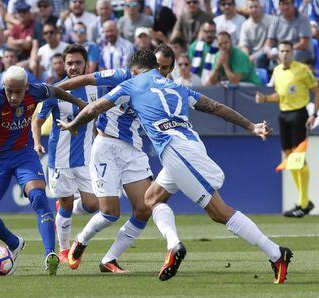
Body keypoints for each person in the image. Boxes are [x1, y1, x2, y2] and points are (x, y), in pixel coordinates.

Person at [57, 49, 293, 284]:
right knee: (152, 199)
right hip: (188, 144)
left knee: (219, 212)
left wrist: (73, 124)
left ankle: (276, 253)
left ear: (135, 69)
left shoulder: (132, 83)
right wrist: (251, 126)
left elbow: (94, 108)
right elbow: (216, 107)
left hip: (176, 151)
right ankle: (173, 246)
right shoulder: (178, 87)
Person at [0, 65, 87, 276]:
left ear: (26, 87)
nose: (13, 97)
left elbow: (56, 90)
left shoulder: (37, 91)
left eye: (18, 91)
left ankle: (50, 254)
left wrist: (79, 103)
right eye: (9, 91)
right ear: (4, 86)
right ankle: (14, 243)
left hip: (23, 154)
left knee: (39, 198)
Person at [55, 44, 175, 273]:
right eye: (157, 66)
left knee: (143, 208)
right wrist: (51, 89)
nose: (160, 72)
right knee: (110, 212)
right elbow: (85, 79)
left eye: (165, 68)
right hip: (107, 146)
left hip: (133, 150)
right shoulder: (122, 75)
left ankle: (109, 259)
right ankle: (80, 242)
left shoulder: (165, 88)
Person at [32, 45, 100, 264]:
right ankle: (64, 250)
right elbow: (38, 119)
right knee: (67, 205)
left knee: (93, 205)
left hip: (87, 158)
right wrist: (36, 142)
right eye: (69, 63)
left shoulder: (95, 88)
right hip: (60, 159)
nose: (73, 67)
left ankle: (65, 207)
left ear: (86, 64)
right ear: (64, 65)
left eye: (78, 62)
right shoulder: (55, 90)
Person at [256, 40, 318, 218]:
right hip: (283, 115)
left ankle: (304, 203)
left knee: (298, 158)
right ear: (279, 53)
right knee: (290, 158)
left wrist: (314, 114)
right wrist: (265, 99)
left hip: (299, 114)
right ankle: (304, 203)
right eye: (282, 51)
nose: (284, 54)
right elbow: (280, 95)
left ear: (293, 52)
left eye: (288, 51)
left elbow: (316, 89)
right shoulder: (276, 71)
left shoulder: (302, 69)